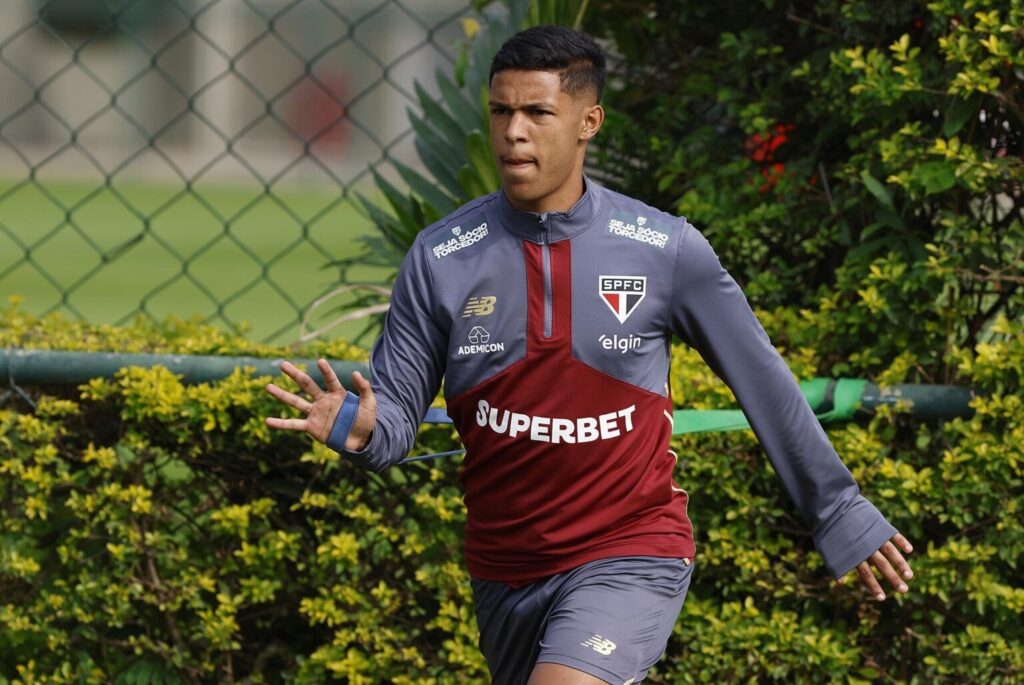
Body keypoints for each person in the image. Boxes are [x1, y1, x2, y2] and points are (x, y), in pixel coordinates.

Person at [264, 25, 914, 685]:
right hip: (503, 571)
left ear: (588, 122)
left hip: (631, 550)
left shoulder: (666, 250)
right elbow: (397, 415)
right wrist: (363, 429)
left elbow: (765, 384)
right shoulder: (441, 257)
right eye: (501, 111)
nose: (514, 132)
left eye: (537, 112)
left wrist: (839, 510)